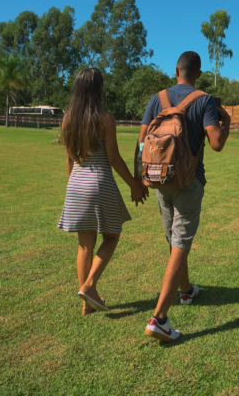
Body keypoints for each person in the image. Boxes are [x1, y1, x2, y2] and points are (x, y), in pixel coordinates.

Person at [139, 51, 230, 342]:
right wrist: (225, 120)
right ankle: (160, 318)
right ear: (198, 74)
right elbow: (216, 144)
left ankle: (186, 291)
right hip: (189, 181)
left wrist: (138, 179)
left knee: (174, 241)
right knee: (180, 243)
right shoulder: (204, 100)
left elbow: (142, 141)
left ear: (176, 70)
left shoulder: (159, 98)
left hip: (159, 179)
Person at [57, 68, 147, 315]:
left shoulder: (67, 119)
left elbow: (69, 158)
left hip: (75, 183)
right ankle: (89, 286)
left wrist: (73, 185)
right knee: (112, 236)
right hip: (99, 182)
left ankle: (88, 304)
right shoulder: (105, 119)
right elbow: (114, 158)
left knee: (84, 246)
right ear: (98, 90)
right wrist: (134, 185)